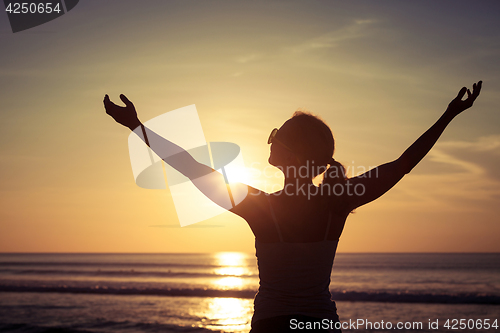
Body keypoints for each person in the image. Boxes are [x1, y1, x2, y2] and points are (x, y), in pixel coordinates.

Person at [104, 81, 482, 332]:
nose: (269, 141)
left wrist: (137, 127)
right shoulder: (337, 202)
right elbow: (402, 164)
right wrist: (448, 115)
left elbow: (191, 167)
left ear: (290, 151)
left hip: (270, 326)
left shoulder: (260, 207)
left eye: (276, 135)